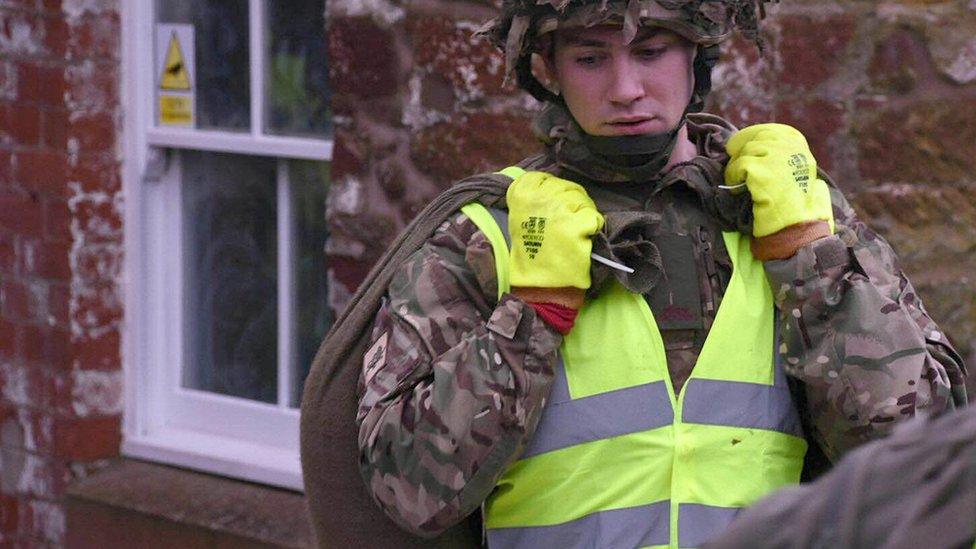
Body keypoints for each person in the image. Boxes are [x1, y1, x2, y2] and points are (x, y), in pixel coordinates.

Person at [299, 1, 967, 547]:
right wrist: (533, 313)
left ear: (698, 54)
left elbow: (916, 457)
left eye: (651, 51)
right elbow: (406, 492)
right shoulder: (482, 239)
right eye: (591, 57)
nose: (625, 89)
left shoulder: (791, 215)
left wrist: (812, 256)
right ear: (548, 68)